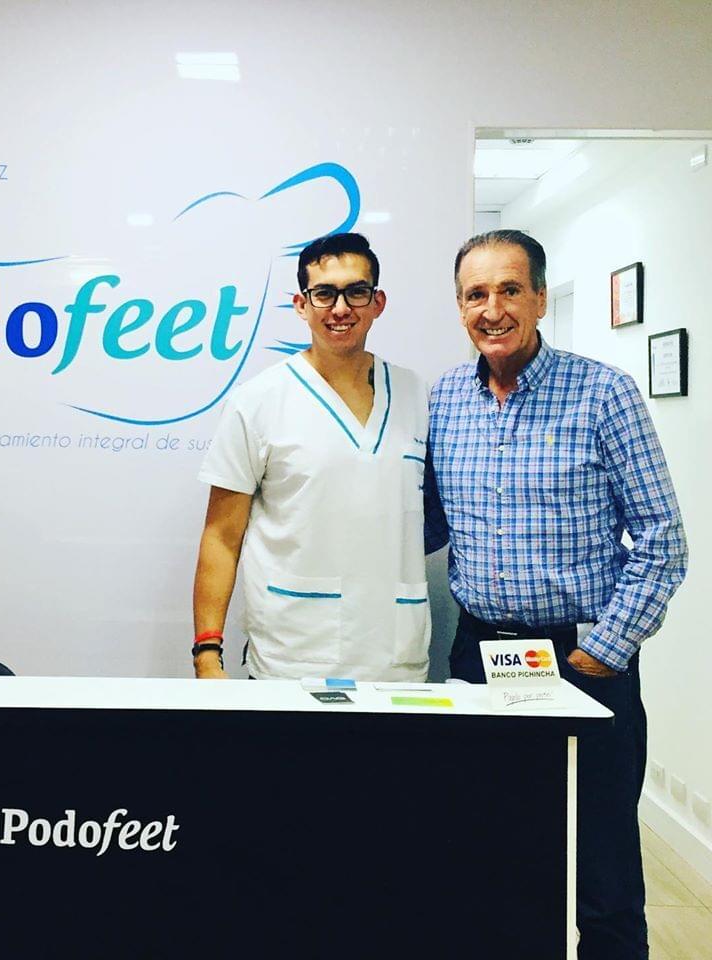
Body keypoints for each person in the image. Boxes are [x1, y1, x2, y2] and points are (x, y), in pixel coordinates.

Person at [425, 229, 687, 959]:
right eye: (476, 294)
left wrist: (603, 652)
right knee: (492, 848)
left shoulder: (604, 393)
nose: (493, 309)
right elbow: (429, 522)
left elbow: (662, 538)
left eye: (510, 290)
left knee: (602, 863)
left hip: (581, 656)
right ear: (459, 306)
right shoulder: (445, 399)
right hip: (479, 659)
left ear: (540, 298)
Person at [192, 232, 430, 681]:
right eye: (324, 294)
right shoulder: (258, 400)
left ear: (378, 302)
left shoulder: (415, 393)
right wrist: (207, 653)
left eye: (356, 292)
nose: (340, 309)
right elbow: (222, 535)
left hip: (396, 659)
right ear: (301, 305)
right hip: (291, 658)